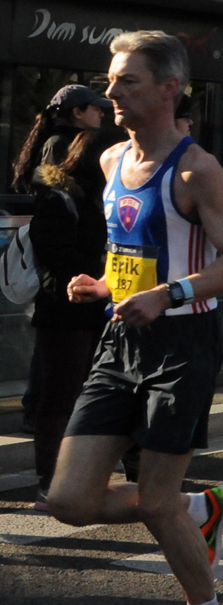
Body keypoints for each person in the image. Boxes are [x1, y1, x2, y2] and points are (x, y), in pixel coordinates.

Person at [47, 31, 223, 605]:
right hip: (121, 340)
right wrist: (104, 284)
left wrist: (169, 294)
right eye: (110, 79)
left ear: (169, 89)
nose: (110, 91)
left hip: (183, 344)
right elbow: (133, 251)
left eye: (127, 81)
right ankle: (201, 509)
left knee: (155, 500)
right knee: (68, 501)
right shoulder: (112, 160)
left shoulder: (197, 170)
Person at [13, 85, 115, 504]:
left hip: (72, 295)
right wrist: (89, 276)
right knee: (64, 395)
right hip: (70, 297)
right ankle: (53, 482)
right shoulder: (64, 154)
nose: (103, 115)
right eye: (96, 109)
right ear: (77, 112)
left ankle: (64, 479)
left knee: (67, 391)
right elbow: (55, 234)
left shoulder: (58, 155)